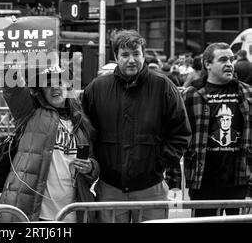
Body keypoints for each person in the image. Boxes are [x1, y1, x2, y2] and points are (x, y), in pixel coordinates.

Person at [81, 30, 191, 223]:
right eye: (125, 55)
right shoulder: (96, 89)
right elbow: (84, 131)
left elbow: (180, 132)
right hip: (110, 187)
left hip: (151, 188)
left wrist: (159, 163)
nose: (131, 60)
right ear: (116, 57)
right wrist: (94, 163)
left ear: (143, 54)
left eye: (136, 54)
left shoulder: (164, 87)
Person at [0, 66, 100, 223]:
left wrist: (91, 167)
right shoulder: (30, 113)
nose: (55, 87)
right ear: (41, 91)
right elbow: (12, 88)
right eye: (48, 83)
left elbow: (93, 164)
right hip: (36, 214)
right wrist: (12, 64)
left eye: (60, 82)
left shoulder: (80, 122)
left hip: (73, 213)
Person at [181, 42, 252, 217]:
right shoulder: (191, 94)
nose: (229, 64)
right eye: (223, 59)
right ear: (207, 64)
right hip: (203, 181)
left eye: (231, 59)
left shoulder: (248, 93)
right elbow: (179, 136)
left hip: (240, 179)